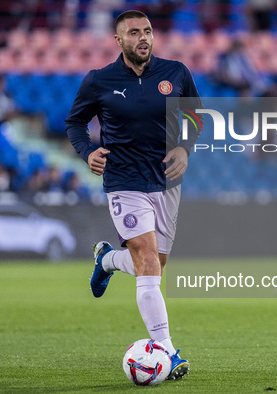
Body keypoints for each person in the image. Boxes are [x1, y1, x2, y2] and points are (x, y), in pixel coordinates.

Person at [65, 10, 201, 381]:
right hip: (123, 181)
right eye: (134, 33)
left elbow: (194, 114)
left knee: (153, 265)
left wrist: (185, 148)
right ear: (118, 40)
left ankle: (108, 260)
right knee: (145, 258)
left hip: (166, 183)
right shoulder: (99, 81)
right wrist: (86, 151)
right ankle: (169, 352)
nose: (143, 38)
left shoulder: (175, 73)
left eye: (148, 31)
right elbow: (75, 122)